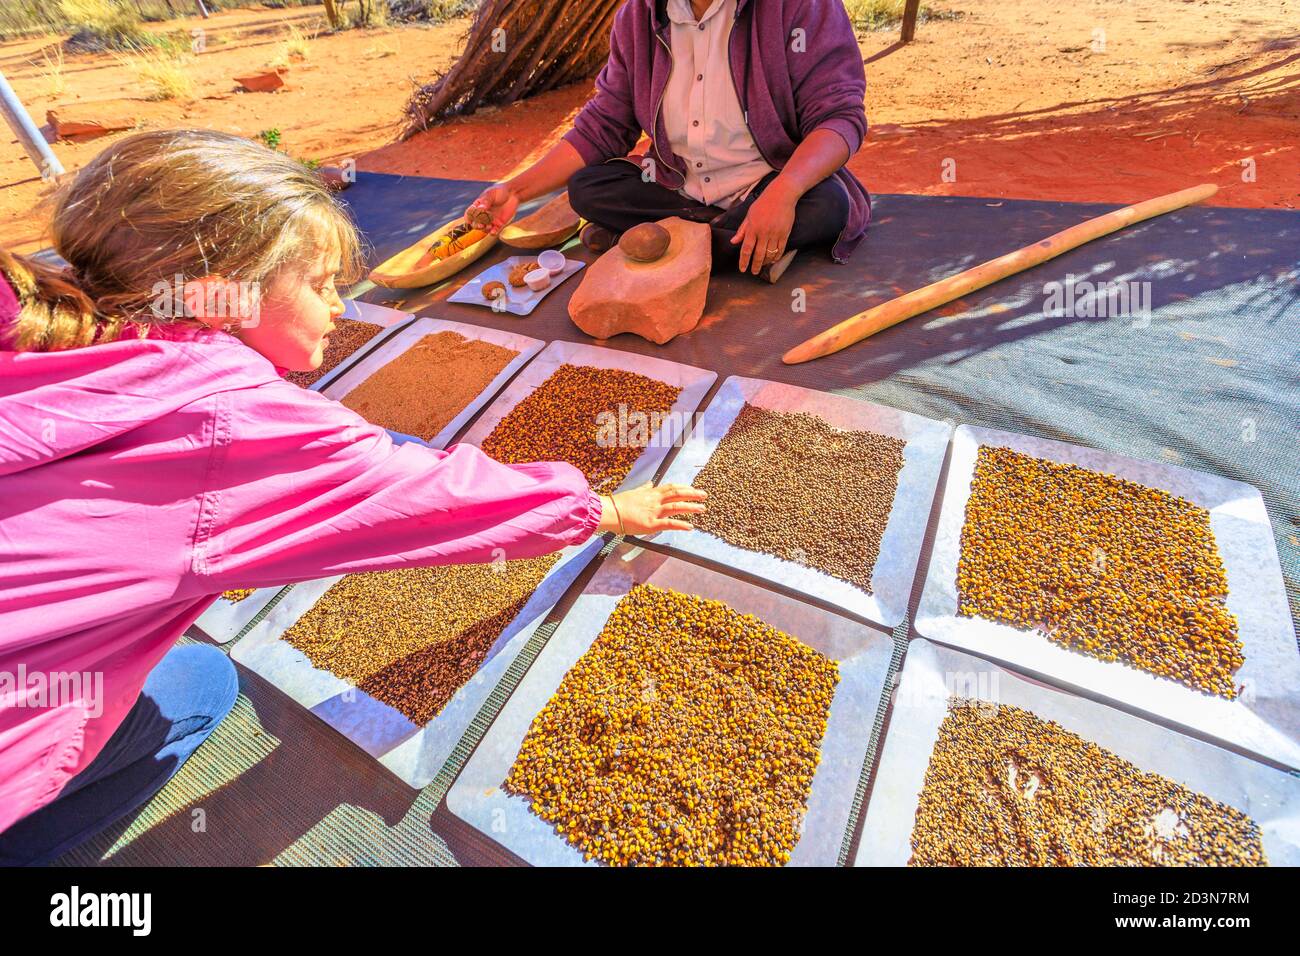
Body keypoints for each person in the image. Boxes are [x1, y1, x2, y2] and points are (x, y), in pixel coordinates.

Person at [0, 129, 706, 865]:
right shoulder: (233, 422)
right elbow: (437, 498)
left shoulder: (40, 319)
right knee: (203, 686)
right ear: (224, 286)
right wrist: (603, 509)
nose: (341, 307)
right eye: (322, 282)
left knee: (182, 668)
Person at [468, 0, 870, 283]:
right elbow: (602, 126)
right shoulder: (636, 19)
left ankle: (655, 242)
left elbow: (840, 116)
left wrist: (783, 193)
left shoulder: (799, 7)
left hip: (765, 185)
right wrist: (516, 190)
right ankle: (739, 248)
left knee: (826, 205)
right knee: (587, 188)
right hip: (677, 190)